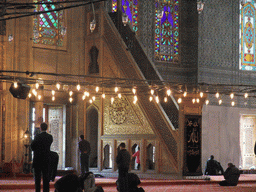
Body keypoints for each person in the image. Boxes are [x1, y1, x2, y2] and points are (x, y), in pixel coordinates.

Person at [31, 122, 53, 192]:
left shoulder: (37, 137)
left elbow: (32, 147)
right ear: (47, 128)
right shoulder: (50, 137)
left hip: (38, 159)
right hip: (46, 159)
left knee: (37, 178)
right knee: (46, 178)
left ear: (40, 128)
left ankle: (37, 190)